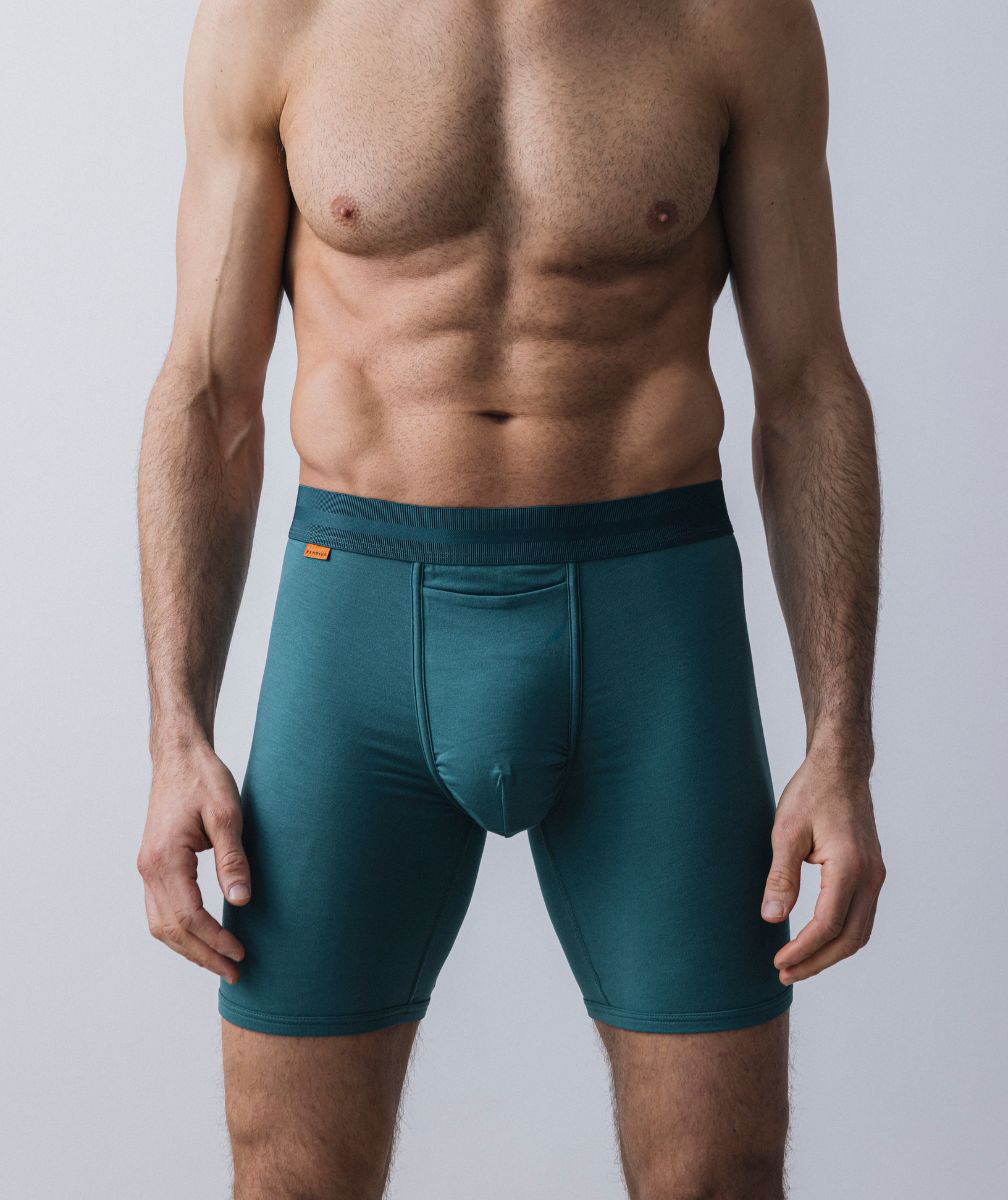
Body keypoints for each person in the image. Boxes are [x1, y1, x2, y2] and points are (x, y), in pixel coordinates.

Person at [135, 1, 886, 1196]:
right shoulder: (276, 18)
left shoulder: (735, 18)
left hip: (654, 633)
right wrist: (176, 733)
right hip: (358, 631)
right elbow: (209, 393)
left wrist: (841, 745)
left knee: (720, 1173)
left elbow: (807, 388)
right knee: (290, 1176)